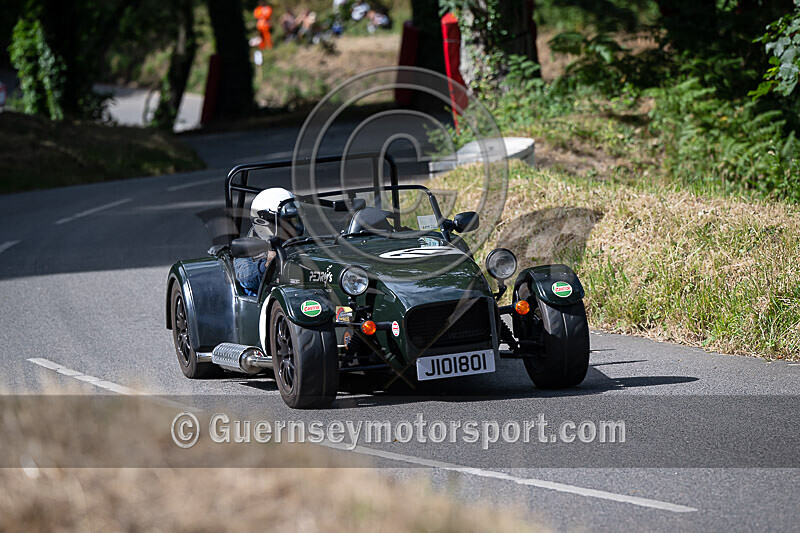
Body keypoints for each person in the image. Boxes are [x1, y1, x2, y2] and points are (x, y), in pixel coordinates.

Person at [234, 187, 295, 294]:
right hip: (266, 300)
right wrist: (266, 265)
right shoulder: (246, 248)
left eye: (294, 221)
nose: (292, 227)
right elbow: (244, 277)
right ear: (264, 222)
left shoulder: (297, 243)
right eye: (285, 223)